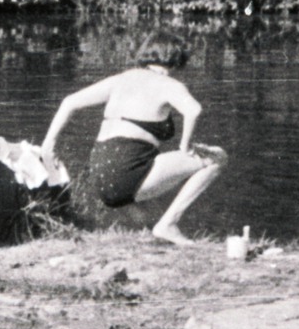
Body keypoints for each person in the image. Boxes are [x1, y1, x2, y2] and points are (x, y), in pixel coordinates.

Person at [39, 30, 226, 246]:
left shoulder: (122, 79)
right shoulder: (170, 85)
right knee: (218, 157)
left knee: (151, 192)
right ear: (176, 59)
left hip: (100, 174)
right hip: (127, 172)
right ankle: (168, 225)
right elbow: (193, 110)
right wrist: (186, 147)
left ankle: (154, 227)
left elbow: (69, 102)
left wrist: (49, 143)